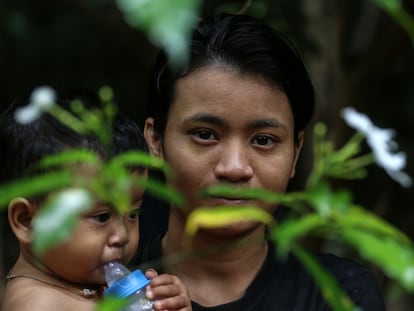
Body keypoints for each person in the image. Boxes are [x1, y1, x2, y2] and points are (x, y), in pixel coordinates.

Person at [131, 13, 386, 310]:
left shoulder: (340, 294)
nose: (235, 167)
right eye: (205, 134)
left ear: (296, 152)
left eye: (263, 140)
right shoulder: (101, 287)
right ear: (156, 141)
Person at [0, 87, 192, 311]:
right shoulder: (37, 304)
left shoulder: (85, 283)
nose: (121, 236)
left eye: (133, 214)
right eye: (102, 217)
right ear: (28, 221)